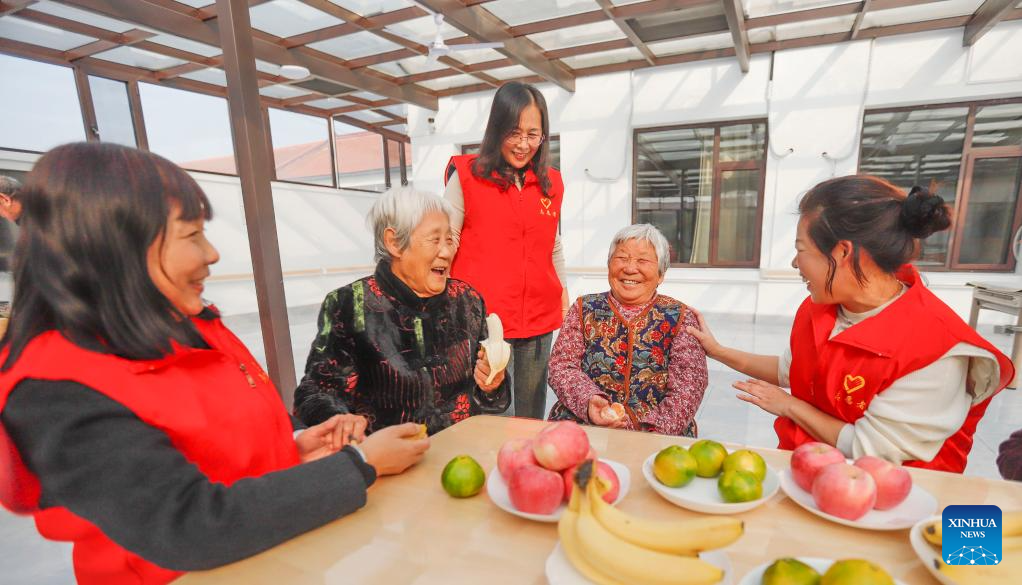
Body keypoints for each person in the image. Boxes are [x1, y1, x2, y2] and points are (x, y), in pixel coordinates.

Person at [0, 143, 429, 585]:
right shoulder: (54, 387)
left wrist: (294, 444)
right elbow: (188, 524)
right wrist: (360, 463)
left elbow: (218, 433)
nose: (211, 254)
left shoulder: (190, 325)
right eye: (191, 235)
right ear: (114, 245)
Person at [688, 176, 1013, 473]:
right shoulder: (820, 308)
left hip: (886, 495)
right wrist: (717, 351)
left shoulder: (935, 349)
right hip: (808, 472)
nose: (795, 262)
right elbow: (792, 370)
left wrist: (789, 406)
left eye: (801, 249)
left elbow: (870, 448)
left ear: (843, 252)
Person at [293, 187, 509, 434]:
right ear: (394, 242)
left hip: (460, 449)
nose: (447, 252)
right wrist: (341, 424)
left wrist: (492, 384)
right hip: (389, 451)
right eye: (435, 240)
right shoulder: (351, 305)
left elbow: (489, 397)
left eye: (449, 240)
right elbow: (317, 391)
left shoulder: (467, 301)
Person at [443, 81, 566, 419]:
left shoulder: (551, 182)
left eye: (533, 134)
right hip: (483, 322)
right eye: (514, 132)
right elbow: (447, 241)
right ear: (497, 128)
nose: (524, 144)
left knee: (530, 418)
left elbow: (553, 244)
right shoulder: (466, 175)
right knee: (491, 416)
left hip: (538, 321)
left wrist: (563, 299)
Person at [547, 224, 708, 436]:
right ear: (609, 265)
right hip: (584, 424)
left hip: (657, 433)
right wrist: (590, 402)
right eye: (622, 258)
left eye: (643, 261)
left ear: (661, 274)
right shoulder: (583, 308)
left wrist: (652, 430)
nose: (630, 268)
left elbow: (690, 384)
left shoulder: (681, 317)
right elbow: (562, 366)